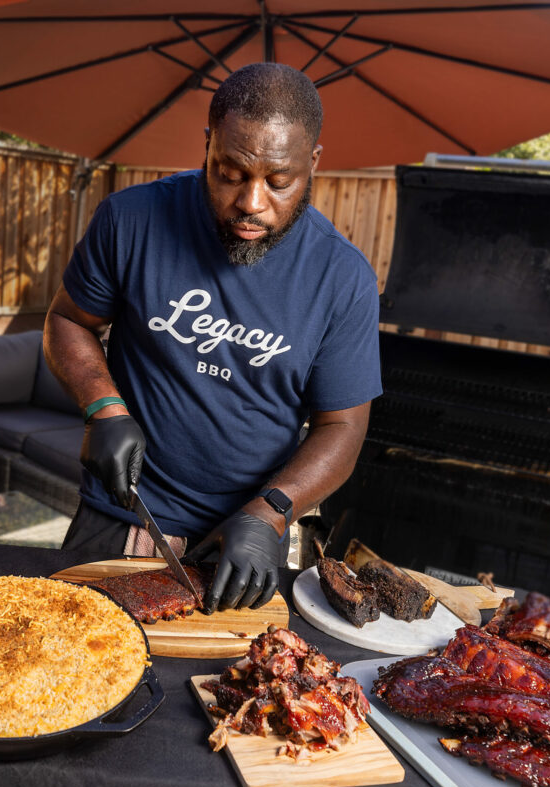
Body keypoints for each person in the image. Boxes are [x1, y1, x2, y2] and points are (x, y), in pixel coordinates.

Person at [43, 62, 382, 613]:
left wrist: (272, 510)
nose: (251, 202)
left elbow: (342, 429)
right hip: (120, 513)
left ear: (313, 162)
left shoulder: (341, 278)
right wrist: (102, 407)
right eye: (229, 172)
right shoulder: (131, 220)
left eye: (279, 180)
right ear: (207, 146)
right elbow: (67, 320)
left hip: (246, 537)